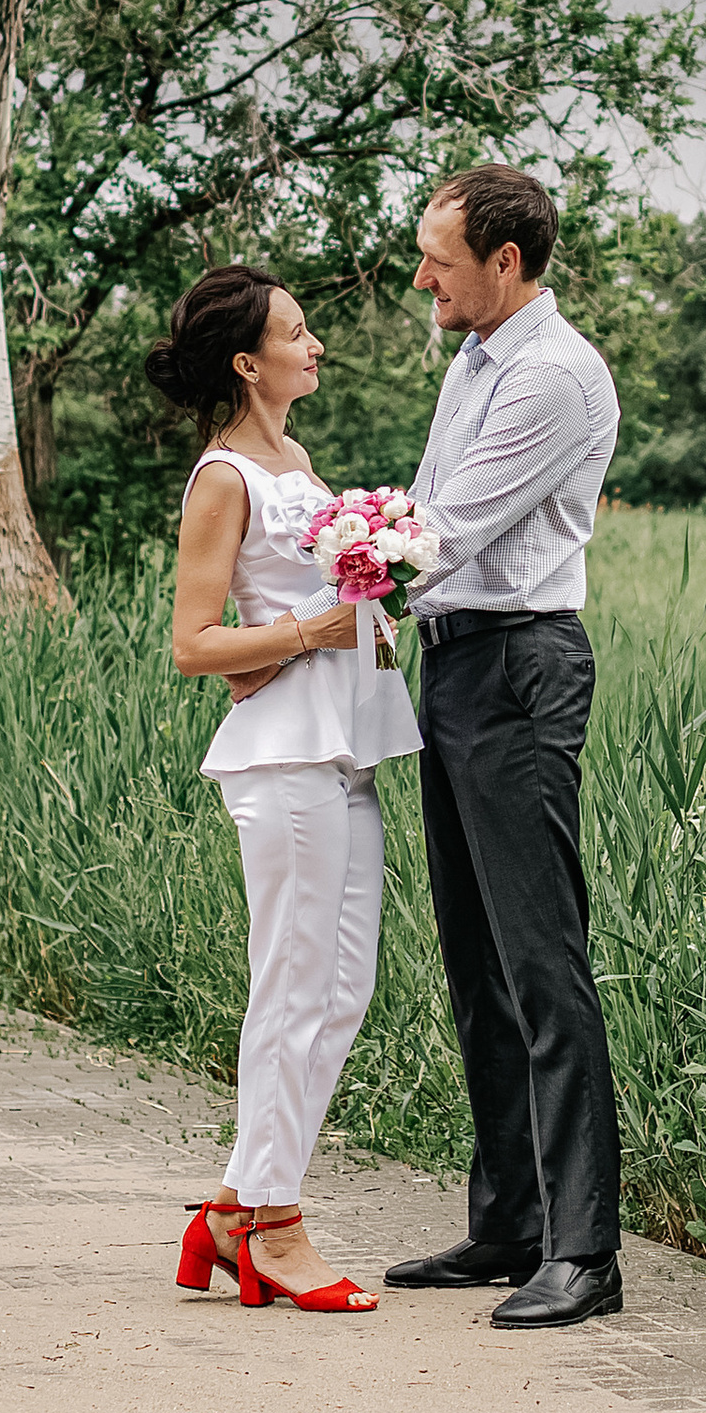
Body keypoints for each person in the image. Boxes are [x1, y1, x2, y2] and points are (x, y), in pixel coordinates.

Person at [152, 259, 421, 1315]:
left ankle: (232, 1211)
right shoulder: (224, 478)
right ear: (245, 362)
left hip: (342, 745)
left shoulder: (296, 462)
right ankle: (274, 1224)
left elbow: (323, 610)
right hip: (282, 757)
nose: (315, 346)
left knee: (341, 991)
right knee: (292, 987)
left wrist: (380, 589)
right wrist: (313, 628)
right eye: (295, 333)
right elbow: (193, 643)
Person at [383, 165, 625, 1327]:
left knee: (540, 960)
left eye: (438, 259)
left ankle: (583, 1253)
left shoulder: (552, 378)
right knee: (475, 959)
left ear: (506, 261)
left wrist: (312, 579)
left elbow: (441, 531)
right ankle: (509, 1225)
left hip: (521, 665)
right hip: (456, 665)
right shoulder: (474, 360)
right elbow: (425, 508)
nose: (419, 277)